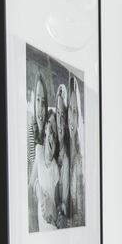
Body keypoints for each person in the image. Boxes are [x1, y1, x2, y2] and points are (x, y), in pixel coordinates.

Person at [28, 109, 60, 232]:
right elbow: (32, 184)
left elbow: (55, 205)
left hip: (50, 225)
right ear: (45, 129)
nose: (51, 136)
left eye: (54, 132)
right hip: (40, 226)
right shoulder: (39, 151)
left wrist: (51, 211)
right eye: (49, 128)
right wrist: (40, 194)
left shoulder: (55, 168)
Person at [68, 75, 85, 227]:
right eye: (70, 110)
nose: (71, 117)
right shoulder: (65, 147)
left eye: (75, 111)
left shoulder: (80, 159)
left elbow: (80, 211)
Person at [54, 84, 70, 227]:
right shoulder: (51, 144)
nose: (60, 120)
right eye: (58, 114)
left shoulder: (67, 154)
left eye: (63, 115)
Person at [27, 73, 48, 181]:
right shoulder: (29, 130)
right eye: (38, 100)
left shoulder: (49, 133)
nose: (40, 107)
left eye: (43, 102)